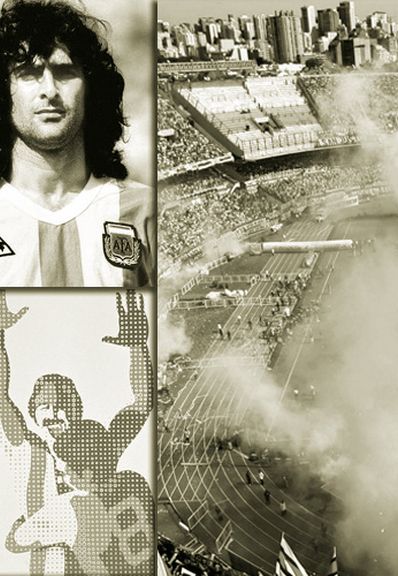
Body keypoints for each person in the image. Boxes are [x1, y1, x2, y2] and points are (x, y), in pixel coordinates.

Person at [0, 0, 153, 287]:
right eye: (29, 74)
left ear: (91, 89)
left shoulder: (144, 209)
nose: (49, 91)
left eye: (65, 72)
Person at [1, 290, 152, 575]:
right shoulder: (29, 446)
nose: (54, 412)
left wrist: (137, 347)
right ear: (32, 411)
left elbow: (142, 402)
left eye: (62, 405)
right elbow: (1, 396)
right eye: (45, 405)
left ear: (77, 412)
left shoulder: (99, 446)